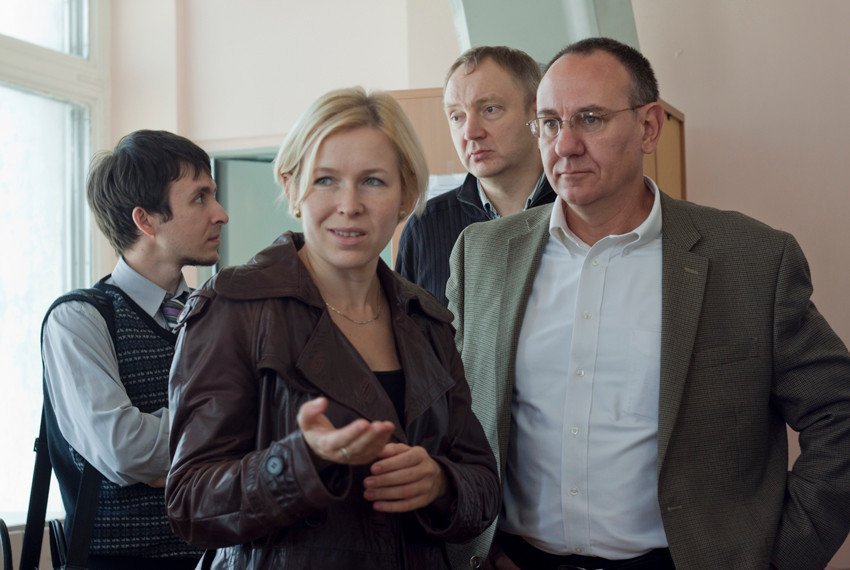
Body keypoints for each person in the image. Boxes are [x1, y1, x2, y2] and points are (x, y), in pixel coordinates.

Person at [447, 37, 850, 569]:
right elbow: (451, 414)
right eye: (548, 123)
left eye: (590, 119)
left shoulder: (750, 261)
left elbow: (839, 413)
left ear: (649, 126)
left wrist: (784, 557)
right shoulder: (482, 254)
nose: (565, 145)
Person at [166, 87, 500, 569]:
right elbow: (190, 503)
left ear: (406, 195)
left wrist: (440, 483)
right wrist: (299, 462)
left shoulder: (426, 318)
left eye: (373, 182)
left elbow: (483, 485)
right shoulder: (234, 307)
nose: (349, 204)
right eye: (325, 180)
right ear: (291, 189)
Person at [41, 129, 229, 569]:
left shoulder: (218, 311)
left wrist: (168, 458)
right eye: (200, 198)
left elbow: (264, 429)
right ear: (146, 220)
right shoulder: (79, 318)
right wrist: (221, 436)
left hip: (220, 556)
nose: (220, 214)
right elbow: (124, 449)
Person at [395, 46, 555, 306]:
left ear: (537, 114)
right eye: (456, 116)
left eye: (490, 109)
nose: (470, 132)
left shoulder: (579, 211)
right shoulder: (425, 228)